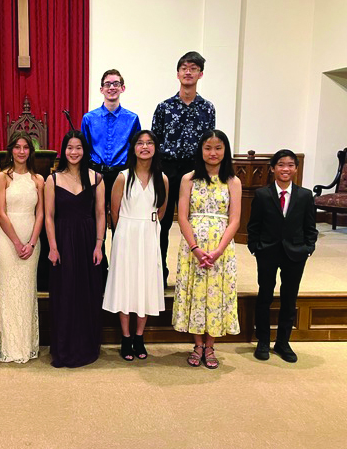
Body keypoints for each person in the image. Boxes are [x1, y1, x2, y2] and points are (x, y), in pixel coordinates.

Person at [172, 129, 241, 369]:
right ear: (201, 150)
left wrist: (219, 250)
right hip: (194, 248)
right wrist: (195, 248)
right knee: (196, 291)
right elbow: (182, 216)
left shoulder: (233, 181)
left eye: (218, 148)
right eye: (208, 148)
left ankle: (210, 345)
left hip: (221, 248)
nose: (213, 153)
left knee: (216, 293)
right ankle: (197, 344)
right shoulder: (188, 179)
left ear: (225, 151)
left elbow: (235, 220)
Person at [103, 130, 168, 360]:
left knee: (145, 283)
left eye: (149, 143)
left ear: (155, 148)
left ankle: (140, 337)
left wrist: (145, 227)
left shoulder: (163, 179)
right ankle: (126, 337)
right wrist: (125, 232)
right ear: (133, 148)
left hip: (149, 234)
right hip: (126, 234)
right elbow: (114, 210)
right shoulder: (123, 176)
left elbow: (161, 211)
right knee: (126, 283)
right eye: (140, 143)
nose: (145, 147)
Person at [248, 150, 318, 363]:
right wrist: (255, 247)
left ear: (296, 168)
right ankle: (263, 340)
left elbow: (310, 226)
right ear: (272, 168)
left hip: (295, 253)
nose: (285, 169)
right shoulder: (262, 194)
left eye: (290, 165)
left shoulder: (305, 195)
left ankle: (283, 342)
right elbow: (254, 225)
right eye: (280, 165)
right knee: (265, 295)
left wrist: (308, 247)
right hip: (267, 251)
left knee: (289, 298)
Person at [152, 51, 216, 287]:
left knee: (195, 222)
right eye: (184, 68)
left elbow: (211, 145)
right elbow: (154, 142)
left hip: (195, 170)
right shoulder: (164, 107)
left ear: (200, 74)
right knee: (163, 222)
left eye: (193, 68)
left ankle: (195, 273)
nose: (188, 72)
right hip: (167, 169)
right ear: (177, 73)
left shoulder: (207, 108)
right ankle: (159, 272)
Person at [45, 130, 105, 368]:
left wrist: (99, 244)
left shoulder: (97, 178)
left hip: (88, 239)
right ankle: (64, 348)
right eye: (70, 147)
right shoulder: (53, 180)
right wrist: (52, 246)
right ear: (64, 150)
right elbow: (49, 216)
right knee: (65, 293)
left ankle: (86, 345)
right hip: (62, 239)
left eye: (78, 147)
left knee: (86, 293)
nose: (74, 152)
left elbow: (101, 213)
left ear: (84, 150)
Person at [0, 131, 44, 363]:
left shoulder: (38, 180)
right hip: (6, 241)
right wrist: (16, 242)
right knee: (8, 291)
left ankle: (26, 344)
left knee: (26, 292)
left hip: (31, 240)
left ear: (30, 152)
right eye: (17, 147)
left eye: (26, 148)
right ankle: (9, 346)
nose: (21, 151)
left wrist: (31, 242)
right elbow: (0, 213)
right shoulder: (3, 177)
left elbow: (41, 213)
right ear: (10, 150)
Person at [81, 69, 141, 225]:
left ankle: (119, 250)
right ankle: (97, 250)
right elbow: (85, 149)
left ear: (123, 88)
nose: (112, 87)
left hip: (121, 175)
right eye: (107, 84)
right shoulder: (88, 119)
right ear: (101, 89)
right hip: (96, 174)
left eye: (116, 83)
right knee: (95, 218)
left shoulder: (132, 119)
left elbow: (137, 150)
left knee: (120, 219)